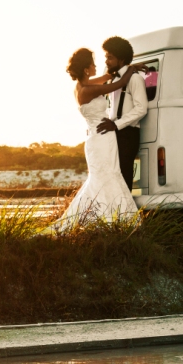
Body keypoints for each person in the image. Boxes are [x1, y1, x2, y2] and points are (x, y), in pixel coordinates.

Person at [48, 48, 146, 231]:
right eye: (93, 63)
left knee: (107, 176)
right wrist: (131, 70)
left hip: (100, 137)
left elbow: (108, 77)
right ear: (86, 69)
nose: (96, 66)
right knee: (107, 176)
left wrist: (128, 67)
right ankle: (113, 220)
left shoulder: (84, 85)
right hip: (101, 139)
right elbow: (118, 84)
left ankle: (106, 218)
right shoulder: (86, 90)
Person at [95, 36, 147, 191]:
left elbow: (141, 108)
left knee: (124, 177)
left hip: (128, 134)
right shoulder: (113, 79)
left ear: (121, 58)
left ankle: (125, 213)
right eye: (106, 57)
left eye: (110, 58)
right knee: (113, 177)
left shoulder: (135, 79)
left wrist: (116, 124)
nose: (106, 61)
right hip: (114, 133)